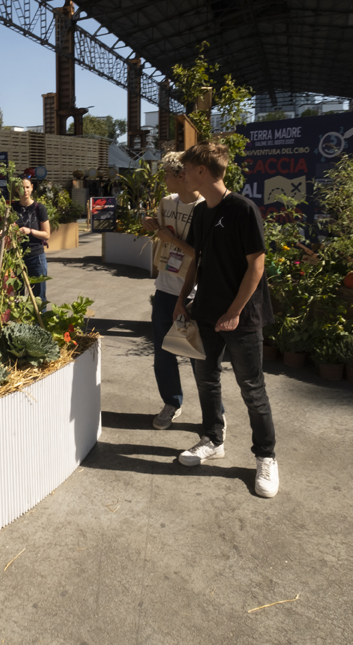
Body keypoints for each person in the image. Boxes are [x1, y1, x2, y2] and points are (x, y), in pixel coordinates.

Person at [173, 141, 279, 499]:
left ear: (203, 171)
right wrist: (182, 299)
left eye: (186, 169)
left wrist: (233, 312)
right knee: (206, 381)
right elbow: (197, 261)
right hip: (205, 312)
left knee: (252, 389)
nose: (183, 175)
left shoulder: (243, 209)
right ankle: (212, 439)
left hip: (243, 318)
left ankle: (265, 456)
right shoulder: (202, 212)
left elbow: (257, 266)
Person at [142, 151, 202, 430]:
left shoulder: (206, 208)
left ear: (182, 175)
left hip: (193, 293)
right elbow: (163, 238)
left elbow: (204, 257)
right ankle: (172, 402)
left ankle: (215, 414)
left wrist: (171, 239)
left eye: (167, 173)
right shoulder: (166, 203)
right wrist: (154, 228)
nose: (163, 178)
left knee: (197, 357)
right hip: (165, 287)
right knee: (163, 353)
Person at [12, 177, 50, 304]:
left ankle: (39, 322)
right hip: (17, 256)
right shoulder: (12, 207)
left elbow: (46, 234)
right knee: (18, 295)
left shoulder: (39, 208)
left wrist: (30, 231)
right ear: (17, 189)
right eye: (22, 187)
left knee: (38, 297)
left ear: (32, 188)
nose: (25, 190)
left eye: (27, 187)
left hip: (35, 256)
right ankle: (20, 323)